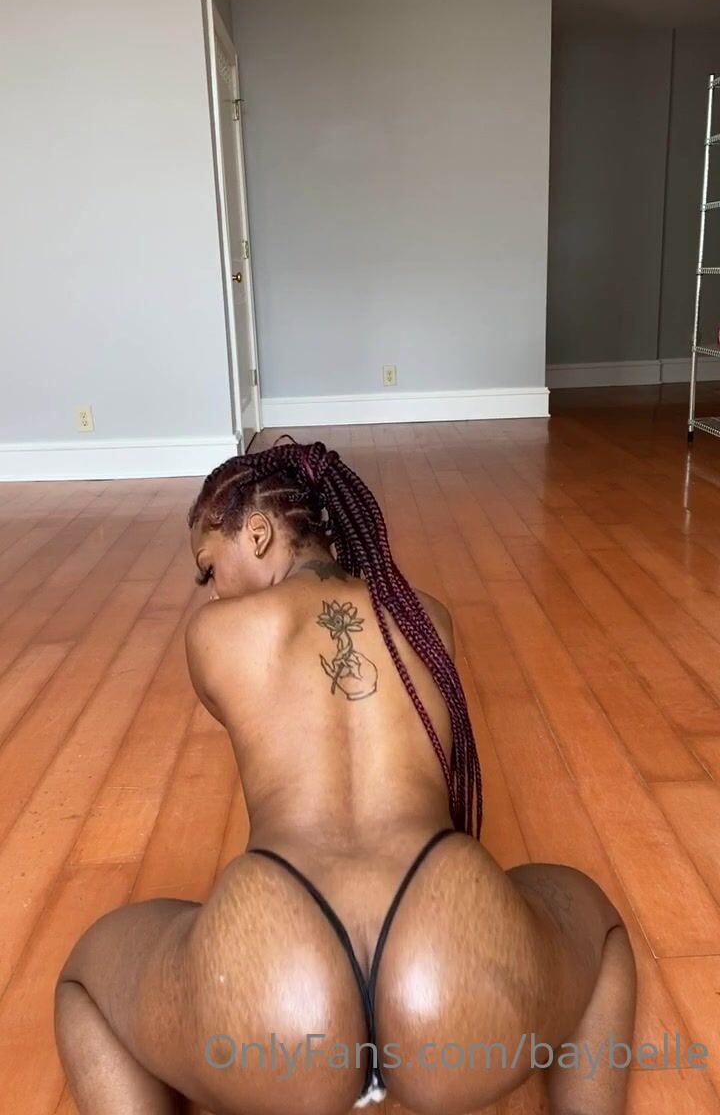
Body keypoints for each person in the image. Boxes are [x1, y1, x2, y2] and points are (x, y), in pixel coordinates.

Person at [55, 439, 636, 1115]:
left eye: (209, 567)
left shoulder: (215, 633)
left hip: (278, 987)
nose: (211, 589)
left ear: (259, 533)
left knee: (84, 984)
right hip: (451, 964)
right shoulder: (427, 619)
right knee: (600, 930)